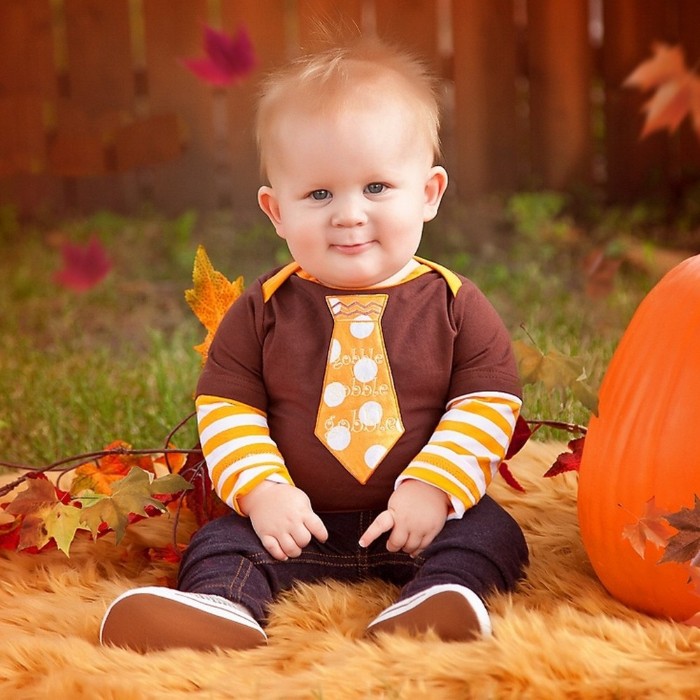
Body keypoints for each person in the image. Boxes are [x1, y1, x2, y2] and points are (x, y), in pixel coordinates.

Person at [99, 35, 529, 653]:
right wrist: (263, 491)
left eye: (377, 187)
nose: (349, 214)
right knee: (222, 541)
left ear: (429, 194)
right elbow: (228, 408)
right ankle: (220, 608)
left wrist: (434, 488)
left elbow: (487, 400)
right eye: (319, 194)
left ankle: (437, 599)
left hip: (417, 518)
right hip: (296, 525)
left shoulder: (455, 304)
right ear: (276, 212)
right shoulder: (262, 312)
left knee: (491, 532)